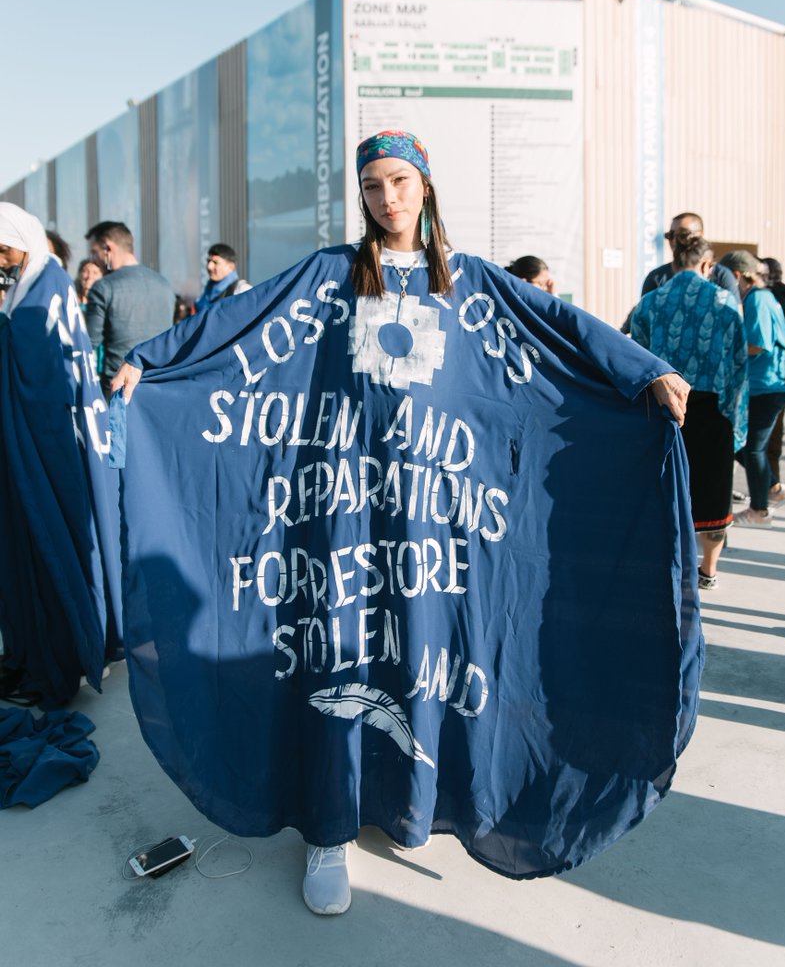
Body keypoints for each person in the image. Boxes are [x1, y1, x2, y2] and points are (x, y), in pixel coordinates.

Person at [110, 131, 699, 916]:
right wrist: (153, 359)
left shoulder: (474, 285)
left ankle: (412, 798)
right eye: (373, 187)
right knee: (338, 656)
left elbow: (563, 331)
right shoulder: (328, 278)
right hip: (343, 516)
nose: (387, 199)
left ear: (425, 185)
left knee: (424, 652)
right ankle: (327, 826)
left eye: (399, 182)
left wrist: (644, 368)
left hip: (433, 519)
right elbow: (240, 323)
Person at [0, 203, 122, 707]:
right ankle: (29, 658)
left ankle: (52, 663)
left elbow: (38, 371)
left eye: (3, 247)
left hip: (42, 446)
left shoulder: (41, 291)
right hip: (32, 441)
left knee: (48, 550)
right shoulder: (33, 283)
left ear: (23, 240)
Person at [630, 230, 748, 589]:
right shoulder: (725, 302)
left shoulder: (651, 301)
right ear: (707, 264)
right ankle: (708, 571)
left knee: (668, 487)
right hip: (712, 409)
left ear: (675, 261)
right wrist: (735, 417)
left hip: (666, 408)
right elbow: (738, 363)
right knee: (713, 494)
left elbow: (638, 358)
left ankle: (672, 565)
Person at [718, 250, 785, 526]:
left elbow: (759, 343)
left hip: (770, 382)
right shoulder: (765, 297)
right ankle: (774, 489)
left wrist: (726, 353)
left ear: (738, 275)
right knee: (744, 444)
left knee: (750, 446)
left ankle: (761, 508)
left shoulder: (757, 299)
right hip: (774, 381)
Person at [84, 221, 175, 398]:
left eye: (94, 252)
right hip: (159, 384)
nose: (93, 260)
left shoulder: (103, 287)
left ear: (108, 249)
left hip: (119, 388)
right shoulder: (164, 284)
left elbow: (89, 342)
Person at [761, 257, 785, 504]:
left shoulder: (763, 298)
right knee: (771, 438)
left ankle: (772, 486)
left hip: (778, 377)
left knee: (770, 440)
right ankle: (772, 485)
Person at [640, 212, 738, 298]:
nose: (675, 240)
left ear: (700, 235)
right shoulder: (656, 277)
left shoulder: (722, 276)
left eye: (682, 235)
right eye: (670, 235)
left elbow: (736, 315)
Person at [195, 243, 252, 311]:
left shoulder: (241, 291)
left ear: (231, 266)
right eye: (208, 261)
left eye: (215, 262)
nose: (209, 266)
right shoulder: (208, 291)